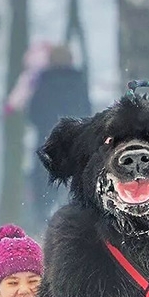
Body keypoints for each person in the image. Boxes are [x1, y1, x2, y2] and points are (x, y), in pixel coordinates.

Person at [27, 44, 91, 234]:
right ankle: (72, 225)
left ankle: (42, 222)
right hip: (74, 142)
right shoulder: (77, 80)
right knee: (73, 185)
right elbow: (85, 110)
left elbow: (33, 113)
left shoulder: (44, 81)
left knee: (43, 185)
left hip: (47, 142)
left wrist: (46, 125)